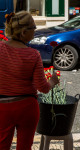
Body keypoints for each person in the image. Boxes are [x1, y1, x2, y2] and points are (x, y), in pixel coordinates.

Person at [0, 11, 59, 150]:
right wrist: (53, 81)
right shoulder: (33, 55)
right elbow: (43, 87)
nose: (35, 31)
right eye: (33, 27)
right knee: (25, 146)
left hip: (2, 107)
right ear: (23, 32)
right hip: (27, 107)